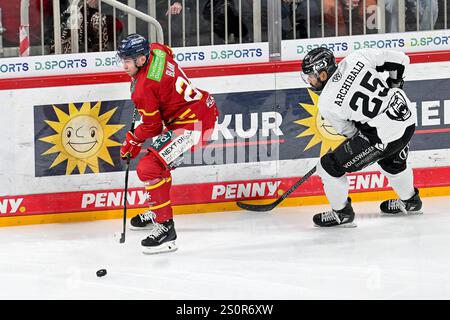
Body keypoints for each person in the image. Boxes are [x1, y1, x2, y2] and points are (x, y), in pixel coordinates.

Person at [117, 33, 219, 253]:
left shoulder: (145, 88)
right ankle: (158, 210)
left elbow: (152, 127)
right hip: (201, 108)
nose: (123, 65)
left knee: (149, 167)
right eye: (122, 59)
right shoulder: (157, 50)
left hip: (194, 125)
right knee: (158, 166)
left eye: (127, 60)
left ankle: (166, 231)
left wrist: (132, 141)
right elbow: (167, 54)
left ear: (142, 60)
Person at [300, 47, 422, 227]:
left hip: (384, 135)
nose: (309, 80)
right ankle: (411, 201)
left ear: (323, 74)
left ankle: (342, 214)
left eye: (311, 76)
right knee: (391, 161)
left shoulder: (326, 102)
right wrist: (394, 89)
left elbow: (351, 133)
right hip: (407, 118)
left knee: (328, 167)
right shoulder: (358, 57)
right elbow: (401, 60)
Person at [53, 0, 123, 53]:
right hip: (73, 53)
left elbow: (117, 26)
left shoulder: (105, 16)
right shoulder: (71, 12)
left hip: (99, 53)